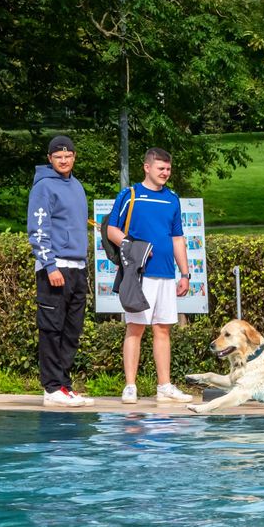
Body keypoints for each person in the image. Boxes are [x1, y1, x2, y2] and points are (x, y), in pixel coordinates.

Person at [106, 148, 193, 405]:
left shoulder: (172, 199)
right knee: (135, 328)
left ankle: (164, 385)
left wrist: (185, 274)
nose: (165, 173)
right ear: (147, 167)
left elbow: (178, 239)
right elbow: (112, 230)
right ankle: (130, 386)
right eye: (160, 168)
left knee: (163, 329)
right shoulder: (130, 195)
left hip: (167, 274)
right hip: (140, 275)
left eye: (168, 169)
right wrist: (135, 249)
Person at [28, 135, 94, 407]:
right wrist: (50, 265)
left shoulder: (76, 185)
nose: (63, 160)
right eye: (58, 157)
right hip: (55, 269)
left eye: (67, 156)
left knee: (72, 330)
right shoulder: (43, 187)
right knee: (52, 329)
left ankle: (64, 386)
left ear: (74, 157)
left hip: (77, 269)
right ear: (50, 159)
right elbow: (38, 229)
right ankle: (52, 387)